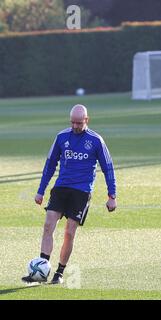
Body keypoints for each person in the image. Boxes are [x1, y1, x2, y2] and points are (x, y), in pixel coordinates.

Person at [22, 104, 117, 285]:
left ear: (87, 120)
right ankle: (42, 268)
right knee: (48, 225)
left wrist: (112, 195)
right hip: (61, 188)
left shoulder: (96, 140)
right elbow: (50, 165)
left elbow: (108, 167)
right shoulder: (61, 137)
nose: (75, 126)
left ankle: (59, 272)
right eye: (72, 122)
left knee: (69, 233)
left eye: (79, 123)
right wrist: (40, 190)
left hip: (81, 192)